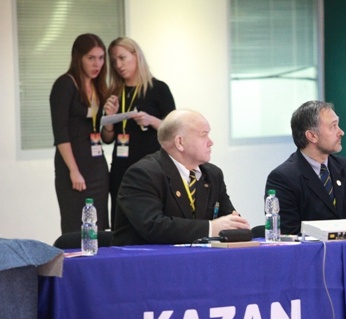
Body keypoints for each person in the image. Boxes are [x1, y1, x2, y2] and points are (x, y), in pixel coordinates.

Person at [111, 109, 250, 245]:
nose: (210, 142)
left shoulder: (213, 175)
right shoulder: (143, 174)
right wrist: (210, 228)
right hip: (145, 258)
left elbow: (231, 221)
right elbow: (153, 226)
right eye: (204, 135)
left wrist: (237, 226)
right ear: (179, 142)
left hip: (195, 257)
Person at [265, 100, 346, 235]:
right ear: (312, 136)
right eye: (333, 126)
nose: (341, 132)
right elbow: (288, 236)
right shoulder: (283, 178)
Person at [102, 37, 176, 225]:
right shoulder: (115, 92)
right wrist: (109, 118)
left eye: (122, 58)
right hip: (121, 167)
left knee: (152, 218)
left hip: (151, 167)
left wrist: (151, 120)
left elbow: (174, 130)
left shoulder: (158, 89)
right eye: (114, 61)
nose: (118, 65)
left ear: (136, 56)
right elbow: (108, 138)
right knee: (121, 220)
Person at [50, 33, 110, 233]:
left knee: (99, 225)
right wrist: (73, 170)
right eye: (91, 58)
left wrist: (110, 118)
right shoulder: (65, 84)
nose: (97, 64)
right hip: (73, 166)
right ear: (79, 58)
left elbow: (104, 135)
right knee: (75, 226)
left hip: (97, 166)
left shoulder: (98, 86)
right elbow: (61, 132)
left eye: (101, 58)